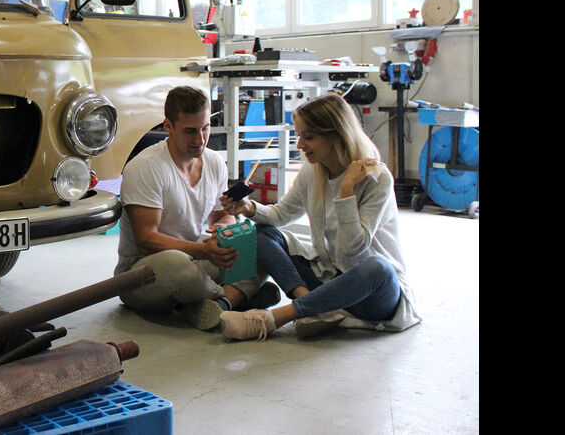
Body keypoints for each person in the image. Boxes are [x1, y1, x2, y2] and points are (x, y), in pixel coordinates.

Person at [217, 92, 421, 341]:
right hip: (331, 275)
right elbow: (282, 214)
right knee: (261, 233)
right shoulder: (312, 172)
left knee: (378, 267)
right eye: (299, 135)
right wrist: (249, 208)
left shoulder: (376, 178)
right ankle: (311, 306)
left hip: (373, 294)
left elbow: (352, 253)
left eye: (309, 137)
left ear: (337, 135)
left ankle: (271, 319)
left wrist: (346, 192)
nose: (300, 144)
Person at [114, 85, 279, 331]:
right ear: (168, 126)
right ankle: (238, 296)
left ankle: (218, 304)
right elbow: (145, 240)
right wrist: (205, 251)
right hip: (145, 271)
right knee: (179, 267)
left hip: (195, 255)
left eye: (205, 128)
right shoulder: (145, 168)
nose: (200, 140)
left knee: (260, 245)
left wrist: (223, 235)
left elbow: (220, 214)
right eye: (190, 131)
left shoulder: (213, 162)